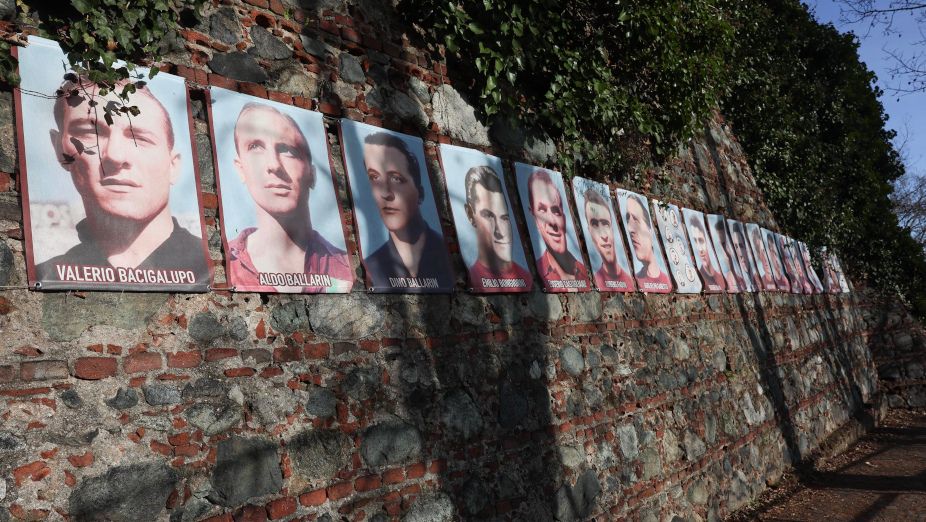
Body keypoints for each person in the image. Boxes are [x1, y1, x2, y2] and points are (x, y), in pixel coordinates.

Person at [35, 75, 209, 287]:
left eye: (140, 138)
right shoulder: (48, 275)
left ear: (173, 165)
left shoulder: (209, 269)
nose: (115, 156)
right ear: (60, 150)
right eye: (90, 133)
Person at [225, 102, 352, 293]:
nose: (274, 165)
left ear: (311, 173)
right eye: (255, 147)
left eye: (287, 150)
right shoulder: (226, 260)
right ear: (240, 168)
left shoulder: (344, 267)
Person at [361, 131, 453, 290]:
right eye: (374, 178)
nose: (386, 193)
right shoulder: (372, 266)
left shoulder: (446, 254)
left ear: (420, 193)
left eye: (396, 178)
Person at [462, 166, 531, 291]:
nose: (500, 231)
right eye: (488, 216)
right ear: (470, 215)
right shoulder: (474, 278)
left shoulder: (527, 279)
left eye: (504, 218)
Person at [527, 169, 588, 287]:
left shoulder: (583, 273)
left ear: (564, 218)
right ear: (534, 219)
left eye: (556, 211)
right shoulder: (538, 272)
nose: (552, 222)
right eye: (542, 210)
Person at [583, 188, 634, 291]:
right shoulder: (597, 280)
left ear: (612, 228)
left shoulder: (629, 281)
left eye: (606, 224)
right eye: (595, 224)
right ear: (589, 231)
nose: (603, 235)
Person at [623, 193, 671, 291]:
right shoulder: (636, 277)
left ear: (650, 231)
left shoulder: (666, 281)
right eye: (628, 219)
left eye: (635, 219)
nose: (629, 228)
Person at [687, 217, 726, 292]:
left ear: (707, 243)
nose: (700, 249)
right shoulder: (695, 275)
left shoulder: (720, 278)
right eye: (695, 241)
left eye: (701, 241)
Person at [712, 218, 747, 292]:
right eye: (720, 246)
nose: (726, 253)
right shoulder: (719, 280)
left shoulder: (744, 279)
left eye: (726, 244)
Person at [730, 222, 761, 291]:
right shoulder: (734, 279)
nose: (740, 254)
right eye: (736, 247)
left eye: (741, 246)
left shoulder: (759, 277)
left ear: (748, 249)